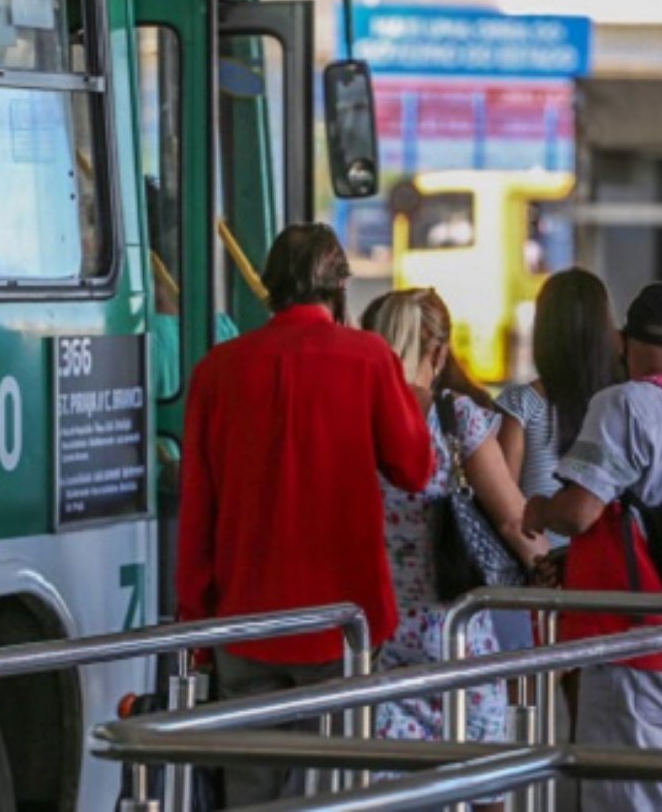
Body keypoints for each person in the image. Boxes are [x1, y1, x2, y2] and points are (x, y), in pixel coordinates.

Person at [176, 223, 433, 807]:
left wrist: (196, 619)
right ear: (340, 290)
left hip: (243, 621)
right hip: (342, 625)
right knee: (334, 791)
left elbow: (198, 510)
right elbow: (414, 470)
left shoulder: (217, 370)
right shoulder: (369, 360)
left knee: (251, 793)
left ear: (269, 289)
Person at [523, 280, 662, 811]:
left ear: (620, 341)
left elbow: (578, 511)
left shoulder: (625, 403)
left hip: (630, 650)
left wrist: (538, 510)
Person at [367, 288, 547, 810]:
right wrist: (552, 573)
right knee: (482, 782)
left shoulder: (356, 415)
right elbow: (514, 519)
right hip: (457, 641)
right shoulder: (456, 417)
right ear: (439, 354)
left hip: (376, 643)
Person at [493, 267, 621, 649]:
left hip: (537, 585)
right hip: (607, 583)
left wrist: (543, 564)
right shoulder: (622, 406)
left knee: (532, 703)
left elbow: (506, 506)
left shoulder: (521, 406)